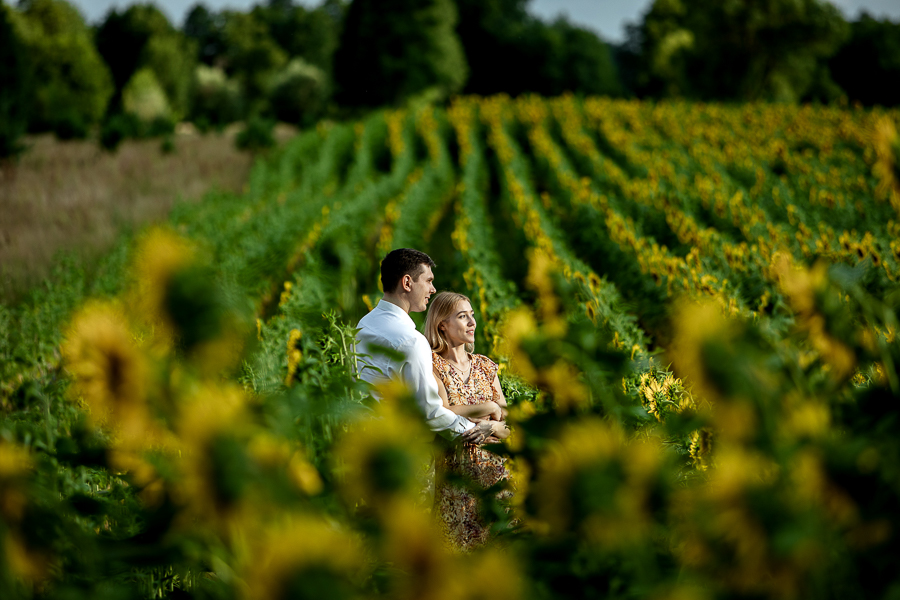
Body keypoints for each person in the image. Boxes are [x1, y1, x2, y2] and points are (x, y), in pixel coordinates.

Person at [354, 249, 494, 444]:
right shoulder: (411, 340)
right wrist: (473, 431)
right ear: (407, 283)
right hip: (400, 448)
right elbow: (430, 412)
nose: (433, 289)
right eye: (428, 281)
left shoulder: (363, 325)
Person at [424, 291, 513, 551]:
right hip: (458, 485)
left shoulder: (486, 366)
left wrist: (494, 426)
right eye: (463, 317)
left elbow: (509, 425)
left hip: (498, 479)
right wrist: (488, 406)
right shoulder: (432, 365)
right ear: (442, 324)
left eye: (472, 315)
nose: (473, 322)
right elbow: (442, 409)